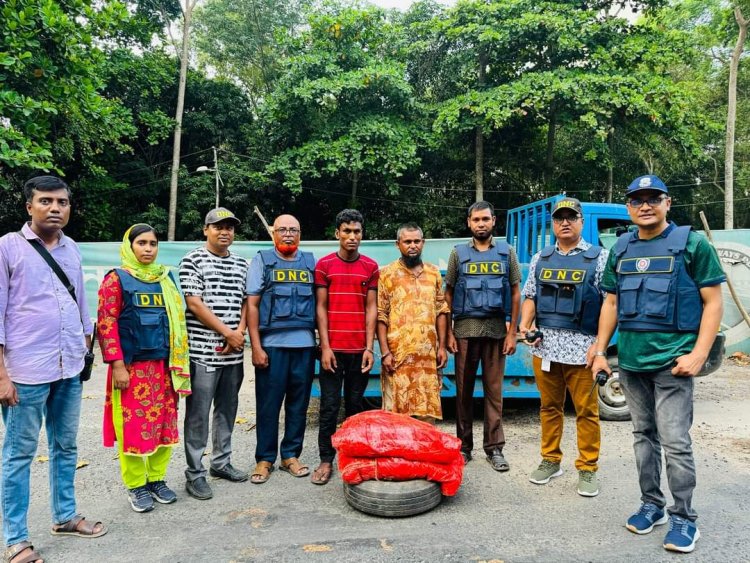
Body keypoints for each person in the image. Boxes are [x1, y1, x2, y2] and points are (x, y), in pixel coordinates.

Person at [591, 175, 724, 554]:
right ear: (629, 207)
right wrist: (601, 350)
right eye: (637, 200)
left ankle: (684, 518)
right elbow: (611, 304)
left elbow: (713, 302)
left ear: (668, 203)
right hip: (631, 365)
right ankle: (652, 505)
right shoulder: (621, 248)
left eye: (653, 198)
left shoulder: (692, 244)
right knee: (643, 438)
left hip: (673, 363)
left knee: (676, 442)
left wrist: (699, 354)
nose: (645, 205)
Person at [0, 176, 107, 563]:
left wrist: (83, 349)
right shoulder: (7, 248)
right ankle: (15, 538)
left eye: (62, 202)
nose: (55, 208)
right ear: (29, 206)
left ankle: (64, 516)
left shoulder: (72, 250)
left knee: (66, 446)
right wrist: (1, 375)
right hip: (25, 371)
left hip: (67, 368)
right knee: (18, 455)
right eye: (46, 201)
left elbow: (80, 305)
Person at [97, 224, 190, 513]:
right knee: (133, 429)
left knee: (163, 425)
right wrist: (118, 365)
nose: (148, 248)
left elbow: (176, 323)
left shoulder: (165, 279)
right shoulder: (117, 280)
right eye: (142, 243)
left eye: (153, 243)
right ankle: (136, 485)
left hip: (164, 367)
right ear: (130, 246)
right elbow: (106, 324)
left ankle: (157, 479)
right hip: (132, 369)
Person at [517, 198, 607, 496]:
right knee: (549, 408)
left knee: (586, 411)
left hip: (583, 350)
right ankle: (550, 460)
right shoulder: (540, 258)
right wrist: (526, 327)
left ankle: (588, 468)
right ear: (553, 224)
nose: (564, 222)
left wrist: (600, 347)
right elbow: (530, 296)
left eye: (571, 217)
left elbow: (610, 304)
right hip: (545, 350)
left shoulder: (598, 258)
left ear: (581, 222)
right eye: (559, 219)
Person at [445, 201, 521, 471]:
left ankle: (495, 449)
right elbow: (449, 293)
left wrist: (513, 333)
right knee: (463, 393)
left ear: (493, 221)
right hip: (464, 332)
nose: (481, 224)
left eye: (485, 219)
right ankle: (463, 448)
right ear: (469, 222)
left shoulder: (506, 252)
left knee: (494, 393)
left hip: (496, 333)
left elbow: (515, 293)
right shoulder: (458, 254)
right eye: (476, 219)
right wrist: (448, 334)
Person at [180, 208, 249, 500]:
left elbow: (247, 302)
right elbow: (194, 304)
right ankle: (194, 473)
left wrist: (239, 333)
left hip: (233, 353)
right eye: (218, 227)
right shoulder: (192, 260)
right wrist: (227, 333)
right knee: (198, 415)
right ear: (205, 229)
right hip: (203, 353)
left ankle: (221, 463)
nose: (225, 232)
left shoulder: (243, 265)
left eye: (230, 228)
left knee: (227, 410)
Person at [246, 214, 317, 484]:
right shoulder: (262, 260)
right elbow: (252, 305)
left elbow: (321, 305)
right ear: (274, 233)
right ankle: (264, 459)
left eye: (294, 230)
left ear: (300, 234)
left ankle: (290, 455)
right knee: (268, 405)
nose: (288, 234)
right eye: (283, 229)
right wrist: (255, 346)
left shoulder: (310, 262)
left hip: (305, 347)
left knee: (298, 405)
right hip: (272, 347)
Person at [312, 209, 379, 485]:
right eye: (347, 231)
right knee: (329, 406)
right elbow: (321, 307)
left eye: (357, 232)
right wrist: (325, 347)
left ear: (362, 234)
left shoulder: (371, 267)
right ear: (337, 233)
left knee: (355, 406)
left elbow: (372, 308)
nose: (352, 237)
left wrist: (369, 347)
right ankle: (326, 460)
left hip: (358, 351)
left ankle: (352, 457)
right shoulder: (324, 265)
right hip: (332, 351)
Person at [377, 223, 449, 421]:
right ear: (398, 244)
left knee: (426, 416)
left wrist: (442, 347)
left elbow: (441, 310)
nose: (412, 246)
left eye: (417, 241)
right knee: (396, 416)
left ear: (423, 243)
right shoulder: (386, 274)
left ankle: (423, 453)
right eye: (407, 241)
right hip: (397, 358)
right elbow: (381, 315)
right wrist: (385, 352)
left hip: (427, 358)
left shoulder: (433, 273)